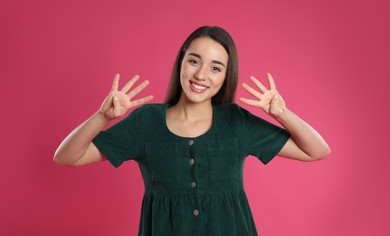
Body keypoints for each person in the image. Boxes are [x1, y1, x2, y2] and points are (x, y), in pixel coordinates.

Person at [54, 26, 331, 235]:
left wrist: (281, 114)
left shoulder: (236, 122)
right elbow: (66, 156)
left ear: (225, 76)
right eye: (194, 61)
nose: (201, 75)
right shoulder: (146, 122)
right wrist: (102, 117)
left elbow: (317, 151)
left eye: (216, 68)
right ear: (181, 62)